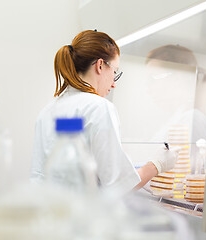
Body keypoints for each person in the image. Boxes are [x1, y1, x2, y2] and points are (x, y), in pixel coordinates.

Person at [30, 30, 181, 195]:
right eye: (114, 72)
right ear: (100, 65)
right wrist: (158, 164)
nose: (114, 84)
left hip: (45, 215)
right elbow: (118, 186)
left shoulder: (48, 110)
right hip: (82, 217)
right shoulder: (99, 107)